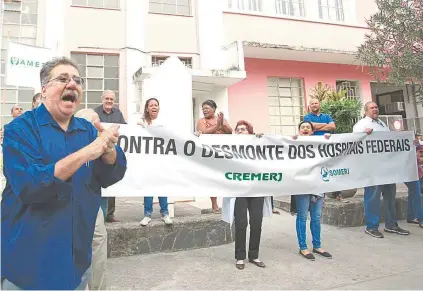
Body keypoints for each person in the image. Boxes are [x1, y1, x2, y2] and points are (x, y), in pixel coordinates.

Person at [1, 57, 127, 290]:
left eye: (77, 80)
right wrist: (87, 153)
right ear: (44, 89)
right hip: (29, 267)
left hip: (76, 265)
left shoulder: (87, 130)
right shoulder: (19, 130)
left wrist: (109, 152)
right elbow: (30, 185)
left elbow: (111, 175)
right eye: (63, 79)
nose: (72, 84)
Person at [219, 120, 271, 269]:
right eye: (238, 129)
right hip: (239, 191)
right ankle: (240, 257)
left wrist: (262, 139)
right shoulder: (230, 146)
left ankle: (254, 255)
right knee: (241, 223)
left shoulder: (259, 144)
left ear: (250, 132)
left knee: (256, 223)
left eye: (244, 129)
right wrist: (199, 136)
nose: (241, 131)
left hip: (257, 190)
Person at [353, 101, 409, 238]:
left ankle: (391, 225)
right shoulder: (361, 125)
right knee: (373, 196)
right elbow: (355, 142)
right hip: (372, 167)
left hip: (386, 167)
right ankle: (371, 227)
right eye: (372, 108)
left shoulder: (382, 124)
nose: (375, 109)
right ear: (366, 111)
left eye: (376, 107)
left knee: (390, 196)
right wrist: (364, 134)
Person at [74, 108, 109, 290]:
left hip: (93, 205)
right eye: (94, 123)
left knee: (99, 240)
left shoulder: (101, 147)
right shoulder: (70, 146)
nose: (98, 127)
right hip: (71, 207)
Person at [290, 121, 332, 261]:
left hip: (318, 186)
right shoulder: (293, 143)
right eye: (303, 127)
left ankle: (317, 246)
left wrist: (328, 139)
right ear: (299, 131)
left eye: (308, 127)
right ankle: (303, 247)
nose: (306, 129)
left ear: (312, 131)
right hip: (302, 186)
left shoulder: (319, 143)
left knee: (316, 217)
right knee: (302, 217)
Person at [303, 98, 348, 203]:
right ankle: (319, 196)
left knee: (331, 169)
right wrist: (324, 126)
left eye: (316, 103)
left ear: (319, 105)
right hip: (314, 148)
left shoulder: (326, 116)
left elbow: (333, 127)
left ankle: (338, 194)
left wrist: (317, 127)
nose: (314, 105)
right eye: (312, 103)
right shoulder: (307, 117)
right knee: (317, 171)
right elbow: (310, 127)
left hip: (328, 148)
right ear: (310, 106)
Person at [138, 98, 173, 226]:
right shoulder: (141, 122)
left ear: (159, 107)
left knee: (161, 185)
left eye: (156, 105)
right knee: (148, 186)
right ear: (147, 108)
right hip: (148, 160)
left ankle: (165, 213)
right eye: (151, 105)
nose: (154, 107)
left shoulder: (164, 122)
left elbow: (174, 135)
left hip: (161, 159)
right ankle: (147, 214)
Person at [94, 90, 126, 223]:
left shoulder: (118, 113)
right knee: (100, 183)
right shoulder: (95, 113)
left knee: (112, 183)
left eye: (111, 99)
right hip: (98, 154)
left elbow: (126, 128)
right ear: (102, 99)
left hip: (113, 151)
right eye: (106, 99)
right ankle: (98, 214)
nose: (109, 101)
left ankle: (110, 214)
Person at [196, 99, 232, 213]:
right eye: (203, 109)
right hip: (210, 154)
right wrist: (218, 126)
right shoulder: (201, 121)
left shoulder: (220, 119)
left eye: (207, 108)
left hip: (223, 154)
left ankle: (228, 204)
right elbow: (205, 132)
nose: (204, 111)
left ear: (214, 109)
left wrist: (222, 124)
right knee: (212, 179)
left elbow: (230, 132)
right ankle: (214, 204)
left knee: (225, 178)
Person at [404, 141, 423, 228]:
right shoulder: (413, 145)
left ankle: (411, 216)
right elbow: (417, 159)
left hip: (414, 173)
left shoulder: (414, 144)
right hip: (410, 173)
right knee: (417, 195)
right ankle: (421, 219)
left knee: (412, 194)